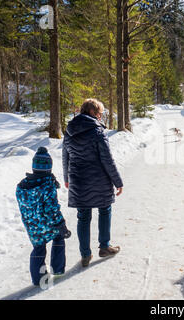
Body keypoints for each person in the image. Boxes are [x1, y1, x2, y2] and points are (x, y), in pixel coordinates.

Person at [62, 98, 123, 267]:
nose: (101, 117)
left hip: (78, 180)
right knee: (104, 209)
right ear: (92, 112)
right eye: (100, 113)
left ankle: (85, 255)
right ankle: (104, 247)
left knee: (83, 217)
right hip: (99, 179)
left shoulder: (69, 130)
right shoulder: (97, 131)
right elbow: (107, 159)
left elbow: (65, 157)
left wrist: (67, 179)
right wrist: (117, 181)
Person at [16, 147, 71, 286]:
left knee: (38, 248)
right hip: (47, 223)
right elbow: (52, 210)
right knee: (59, 237)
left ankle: (37, 279)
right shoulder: (47, 186)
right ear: (49, 168)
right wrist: (61, 225)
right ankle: (57, 269)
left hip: (32, 225)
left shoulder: (22, 186)